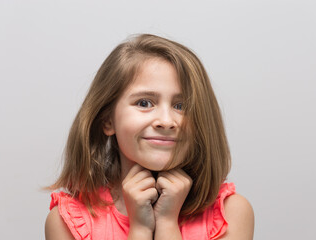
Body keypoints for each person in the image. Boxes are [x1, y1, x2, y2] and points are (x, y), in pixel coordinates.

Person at [45, 34, 254, 240]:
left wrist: (167, 224)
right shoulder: (67, 223)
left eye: (181, 106)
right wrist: (140, 229)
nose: (166, 121)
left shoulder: (232, 214)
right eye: (144, 103)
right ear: (108, 120)